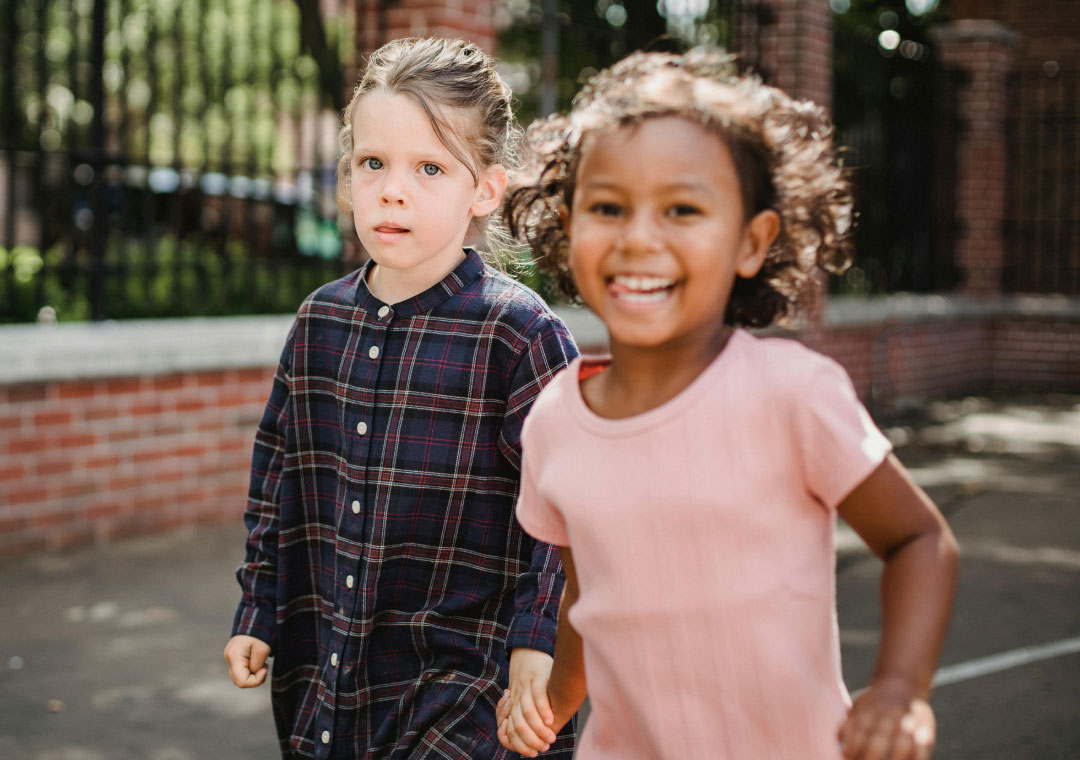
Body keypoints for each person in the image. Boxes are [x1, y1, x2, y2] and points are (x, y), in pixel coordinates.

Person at [495, 48, 959, 760]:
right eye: (608, 207)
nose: (639, 237)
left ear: (751, 240)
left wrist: (900, 687)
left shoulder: (791, 394)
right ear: (569, 222)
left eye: (682, 209)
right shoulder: (555, 421)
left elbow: (918, 539)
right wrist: (553, 703)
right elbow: (590, 603)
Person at [223, 37, 578, 759]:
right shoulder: (320, 322)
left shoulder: (518, 335)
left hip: (473, 689)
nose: (392, 189)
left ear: (484, 189)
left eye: (430, 168)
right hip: (334, 671)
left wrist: (538, 638)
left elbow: (572, 505)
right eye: (373, 163)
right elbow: (277, 479)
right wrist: (258, 608)